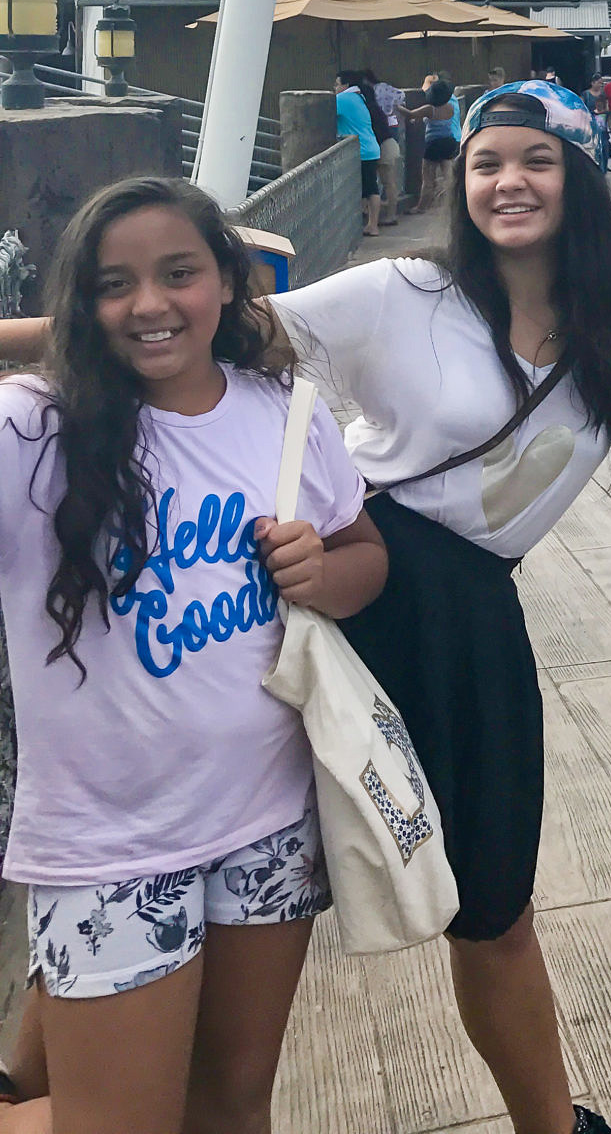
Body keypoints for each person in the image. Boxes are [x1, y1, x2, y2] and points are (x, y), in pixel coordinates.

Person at [46, 82, 611, 1134]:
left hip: (469, 622)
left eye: (536, 157)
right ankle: (42, 1071)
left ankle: (550, 1122)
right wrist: (59, 327)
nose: (509, 180)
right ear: (464, 179)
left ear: (577, 171)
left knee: (493, 906)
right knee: (199, 842)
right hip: (347, 579)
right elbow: (200, 321)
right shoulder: (403, 289)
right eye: (488, 161)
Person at [0, 178, 385, 1134]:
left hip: (268, 823)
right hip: (106, 846)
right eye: (112, 284)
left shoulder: (286, 412)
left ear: (227, 282)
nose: (149, 305)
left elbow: (366, 555)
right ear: (78, 306)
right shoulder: (32, 428)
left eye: (179, 274)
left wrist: (318, 573)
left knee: (230, 1106)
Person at [335, 71, 386, 237]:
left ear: (345, 85)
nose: (335, 88)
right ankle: (371, 224)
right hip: (369, 148)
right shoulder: (358, 97)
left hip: (361, 151)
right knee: (370, 188)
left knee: (369, 190)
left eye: (337, 84)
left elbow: (321, 112)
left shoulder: (343, 99)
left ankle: (373, 225)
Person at [404, 74, 462, 214]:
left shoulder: (430, 108)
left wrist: (396, 107)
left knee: (428, 178)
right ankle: (453, 204)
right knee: (449, 176)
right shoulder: (451, 106)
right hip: (450, 141)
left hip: (433, 144)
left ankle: (422, 206)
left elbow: (411, 114)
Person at [365, 68, 406, 227]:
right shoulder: (385, 91)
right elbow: (401, 95)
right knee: (388, 182)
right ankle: (390, 214)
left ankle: (388, 215)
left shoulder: (372, 103)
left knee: (386, 182)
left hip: (383, 143)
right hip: (390, 137)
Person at [583, 75, 611, 174]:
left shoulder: (603, 94)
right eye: (599, 82)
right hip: (590, 126)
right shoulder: (586, 94)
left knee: (604, 148)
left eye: (601, 83)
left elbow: (607, 109)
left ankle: (603, 168)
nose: (601, 85)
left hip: (602, 125)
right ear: (592, 83)